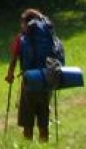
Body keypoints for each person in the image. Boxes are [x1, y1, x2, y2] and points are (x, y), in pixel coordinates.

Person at [5, 8, 54, 141]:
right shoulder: (48, 36)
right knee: (43, 115)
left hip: (29, 80)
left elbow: (14, 58)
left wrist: (10, 74)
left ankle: (27, 146)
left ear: (26, 23)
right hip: (46, 79)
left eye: (22, 23)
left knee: (28, 117)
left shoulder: (22, 39)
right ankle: (44, 143)